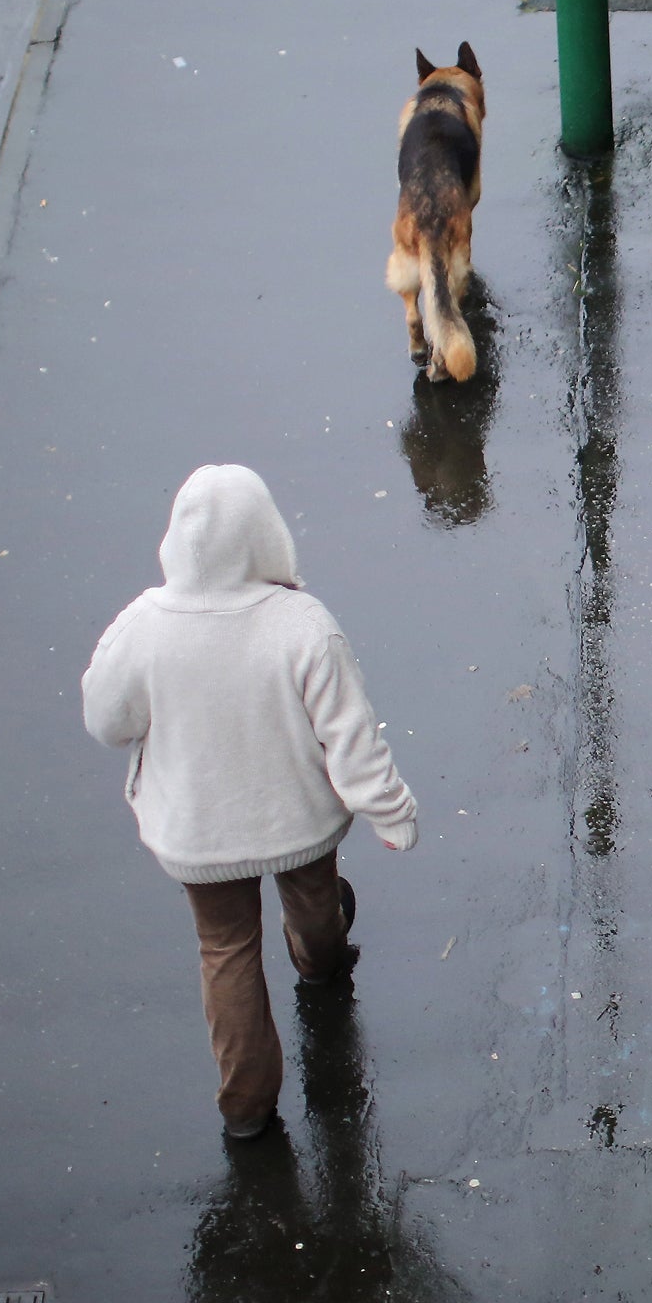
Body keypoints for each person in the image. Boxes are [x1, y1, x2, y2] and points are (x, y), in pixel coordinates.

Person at [82, 465, 417, 1139]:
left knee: (226, 949)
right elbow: (349, 735)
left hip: (201, 833)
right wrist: (390, 810)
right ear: (267, 536)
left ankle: (246, 1107)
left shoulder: (145, 625)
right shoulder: (302, 624)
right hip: (299, 818)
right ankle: (319, 962)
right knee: (316, 901)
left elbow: (107, 721)